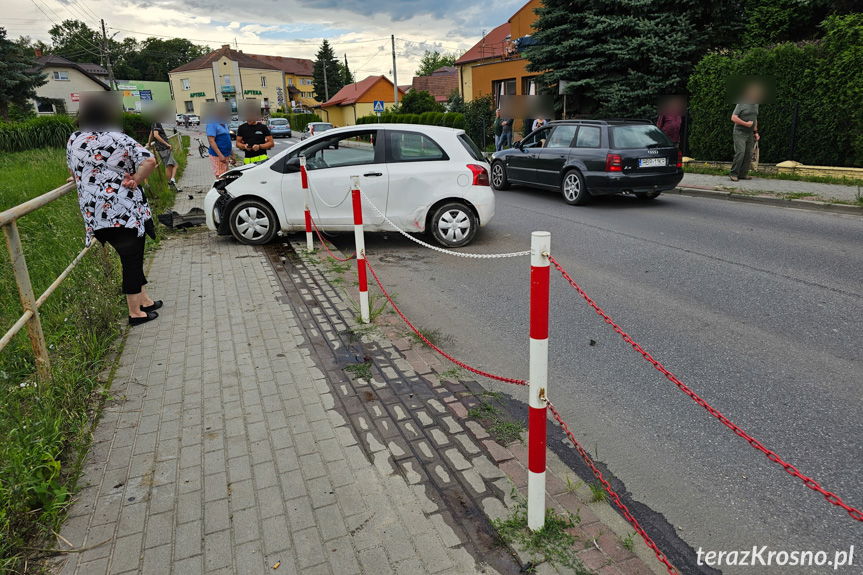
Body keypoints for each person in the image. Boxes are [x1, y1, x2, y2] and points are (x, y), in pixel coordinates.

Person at [66, 94, 161, 326]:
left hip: (94, 214)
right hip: (123, 211)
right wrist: (136, 179)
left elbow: (73, 170)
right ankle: (135, 312)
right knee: (132, 260)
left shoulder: (74, 139)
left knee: (131, 258)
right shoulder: (118, 138)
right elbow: (149, 161)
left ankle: (144, 299)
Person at [730, 83, 762, 182]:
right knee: (740, 152)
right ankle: (733, 174)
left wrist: (756, 132)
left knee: (748, 154)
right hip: (739, 132)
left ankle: (743, 174)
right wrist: (745, 124)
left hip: (749, 133)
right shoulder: (741, 103)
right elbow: (733, 118)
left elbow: (755, 119)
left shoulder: (756, 104)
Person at [150, 121, 179, 189]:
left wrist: (149, 143)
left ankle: (171, 183)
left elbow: (151, 134)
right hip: (164, 148)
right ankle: (171, 181)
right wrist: (167, 144)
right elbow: (155, 135)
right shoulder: (156, 123)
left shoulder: (153, 123)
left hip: (161, 148)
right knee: (170, 166)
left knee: (170, 165)